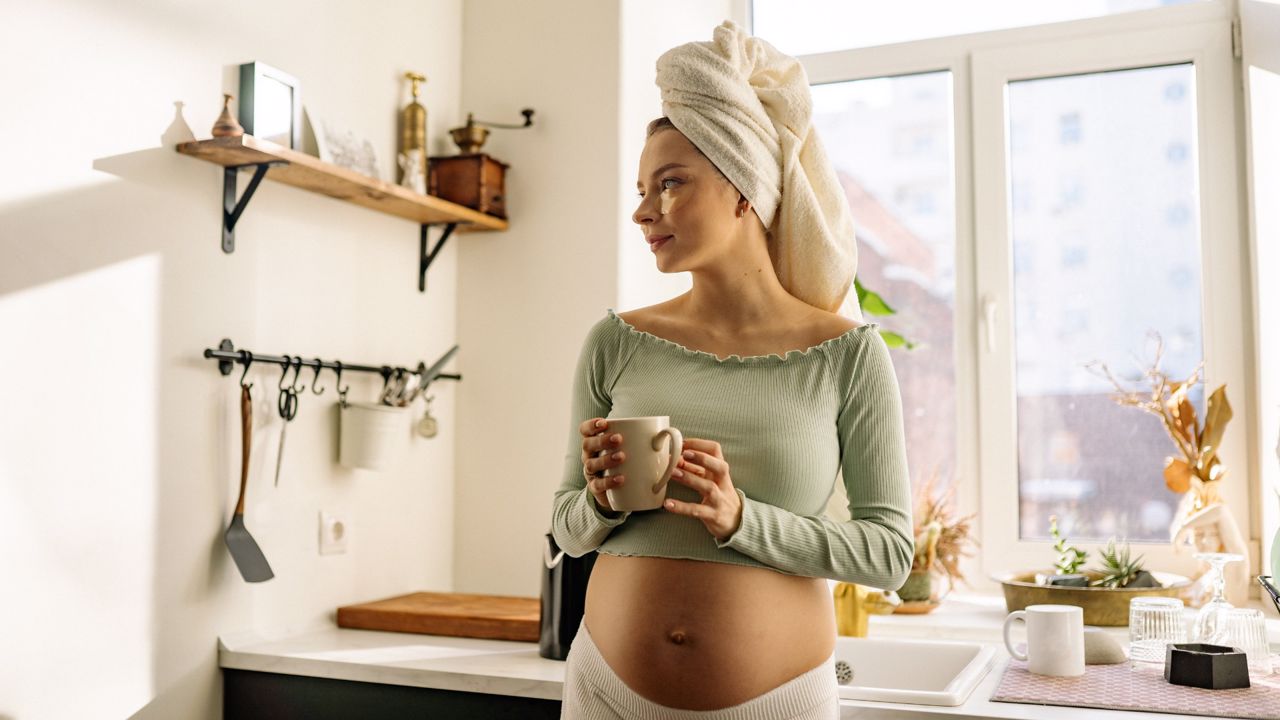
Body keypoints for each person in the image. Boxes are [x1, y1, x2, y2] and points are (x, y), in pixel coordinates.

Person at [551, 20, 913, 720]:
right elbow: (566, 528)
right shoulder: (616, 340)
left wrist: (741, 518)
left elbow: (888, 553)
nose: (642, 210)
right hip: (603, 690)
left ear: (744, 189)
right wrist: (598, 500)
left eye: (671, 184)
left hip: (776, 704)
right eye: (641, 188)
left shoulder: (846, 354)